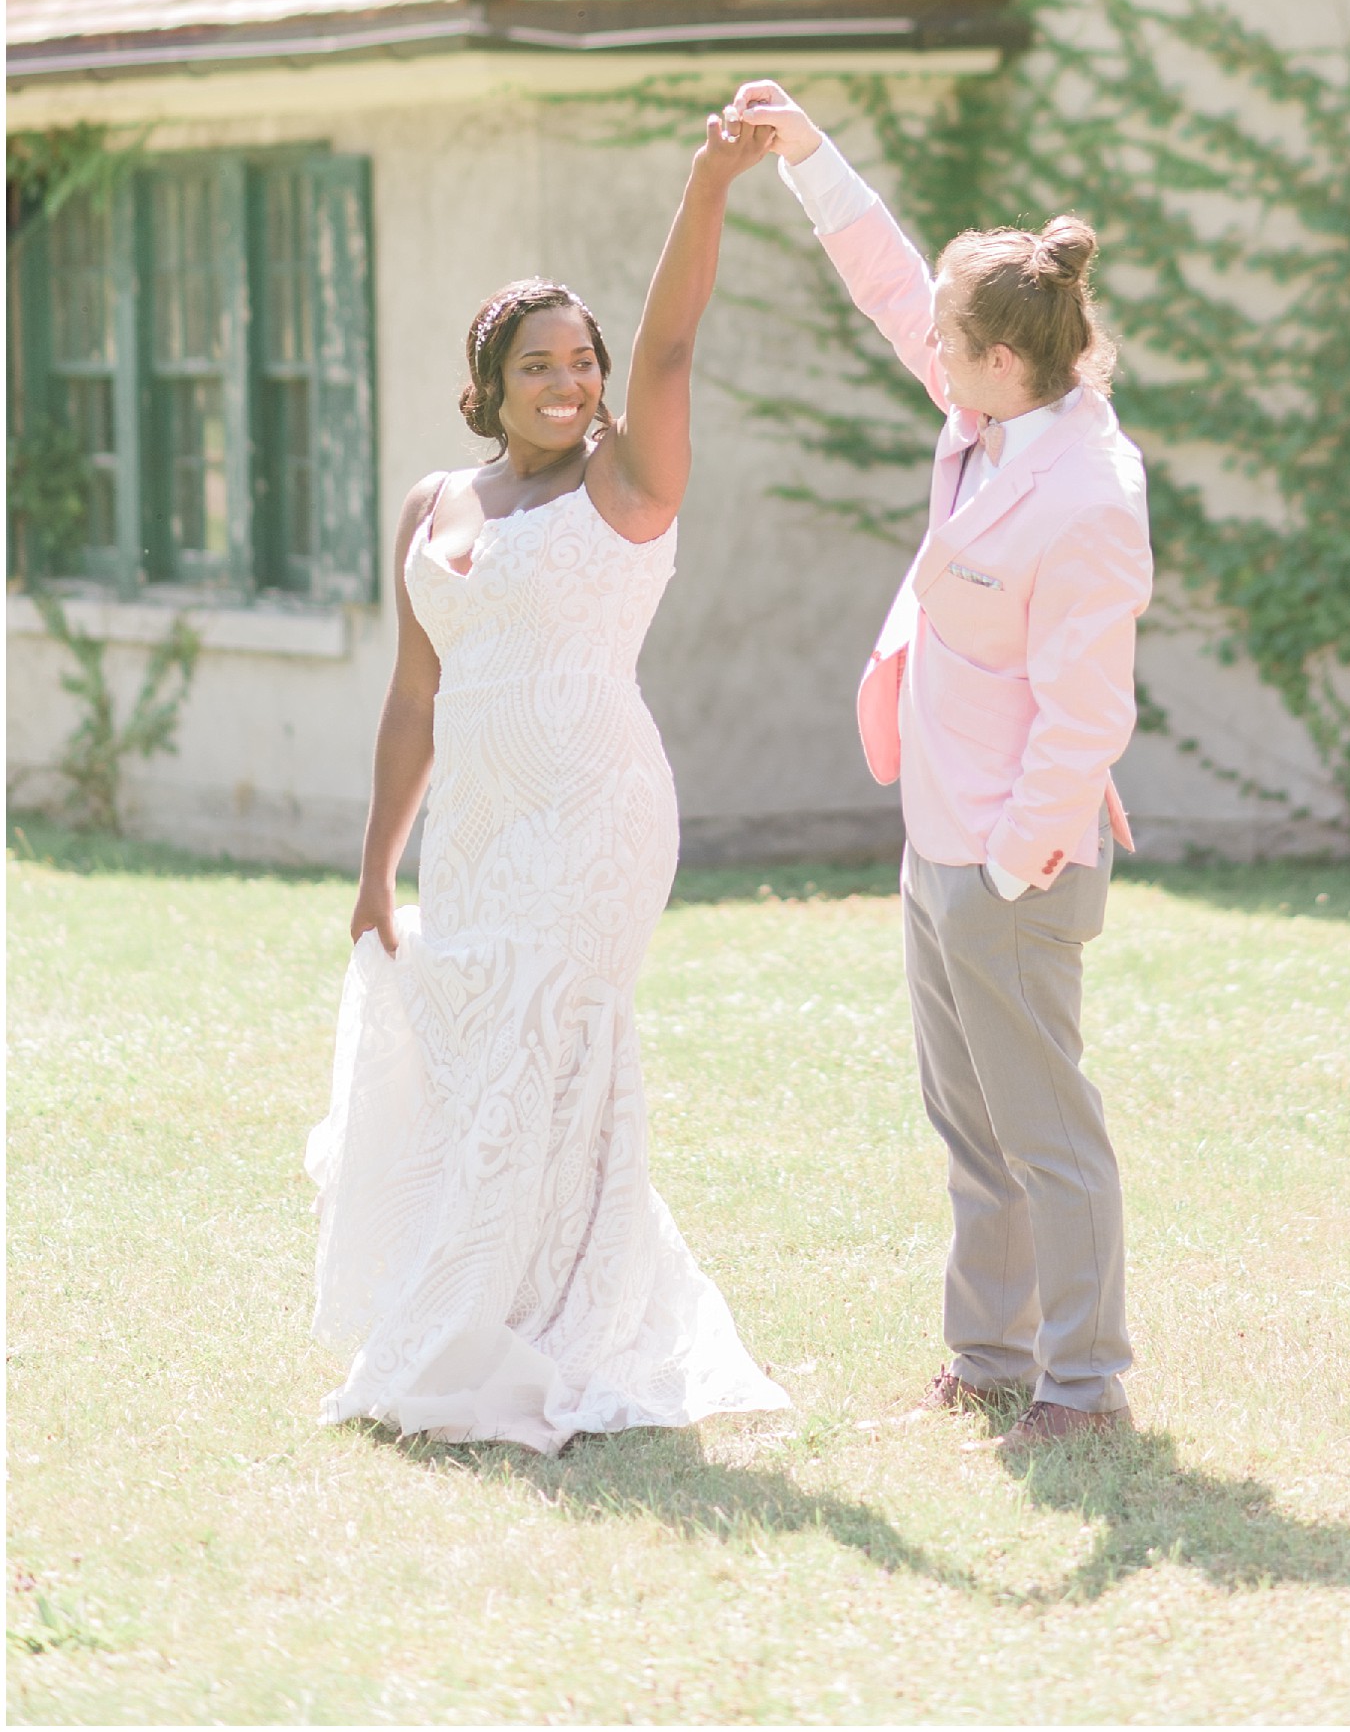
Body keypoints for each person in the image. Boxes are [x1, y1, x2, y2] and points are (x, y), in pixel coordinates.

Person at [307, 109, 788, 1456]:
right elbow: (414, 698)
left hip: (595, 808)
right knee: (475, 1058)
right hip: (472, 821)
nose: (572, 381)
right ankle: (509, 1300)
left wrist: (706, 184)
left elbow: (675, 345)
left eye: (584, 361)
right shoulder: (431, 507)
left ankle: (519, 1333)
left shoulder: (628, 487)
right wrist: (372, 872)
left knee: (540, 1040)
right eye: (543, 363)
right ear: (489, 382)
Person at [730, 78, 1150, 1456]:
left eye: (946, 341)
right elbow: (888, 278)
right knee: (970, 1126)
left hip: (1010, 858)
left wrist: (1011, 863)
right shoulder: (984, 417)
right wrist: (808, 152)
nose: (927, 343)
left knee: (1049, 1133)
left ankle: (1082, 1382)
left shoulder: (1086, 494)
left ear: (1003, 361)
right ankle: (987, 1356)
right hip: (938, 831)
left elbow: (1086, 713)